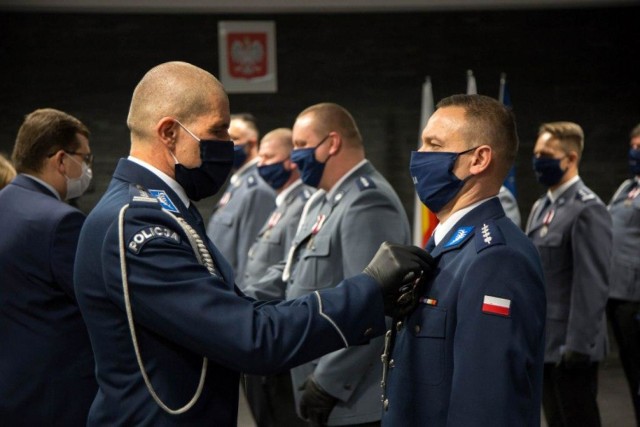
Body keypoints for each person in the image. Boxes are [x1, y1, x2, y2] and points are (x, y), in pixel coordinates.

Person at [72, 61, 434, 426]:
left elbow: (237, 305)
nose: (228, 146)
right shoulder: (137, 222)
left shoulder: (165, 210)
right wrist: (369, 290)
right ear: (169, 133)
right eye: (217, 130)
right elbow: (251, 336)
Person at [382, 94, 546, 426]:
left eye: (433, 144)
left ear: (479, 159)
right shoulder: (447, 242)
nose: (419, 156)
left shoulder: (496, 258)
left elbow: (486, 404)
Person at [248, 102, 412, 427]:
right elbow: (290, 274)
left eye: (301, 146)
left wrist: (327, 384)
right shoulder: (322, 200)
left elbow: (374, 305)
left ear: (332, 143)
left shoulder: (367, 201)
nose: (295, 158)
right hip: (317, 385)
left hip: (352, 400)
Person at [0, 108, 97, 425]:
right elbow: (96, 303)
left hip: (13, 388)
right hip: (56, 395)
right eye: (84, 158)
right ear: (60, 160)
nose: (86, 168)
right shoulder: (61, 221)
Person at [525, 121, 611, 427]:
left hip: (569, 346)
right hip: (546, 341)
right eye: (536, 153)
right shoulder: (541, 207)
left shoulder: (587, 209)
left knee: (578, 420)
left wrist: (577, 345)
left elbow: (592, 284)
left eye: (546, 154)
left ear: (571, 158)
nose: (538, 160)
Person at [242, 127, 312, 427]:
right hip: (261, 323)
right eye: (260, 158)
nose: (261, 165)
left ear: (291, 162)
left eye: (269, 157)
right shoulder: (281, 204)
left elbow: (290, 271)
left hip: (278, 329)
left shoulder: (301, 205)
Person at [206, 113, 275, 289]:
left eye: (234, 138)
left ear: (252, 143)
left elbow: (251, 258)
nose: (227, 144)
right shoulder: (239, 183)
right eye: (224, 138)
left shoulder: (257, 188)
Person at [606, 123, 640, 424]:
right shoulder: (628, 187)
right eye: (633, 145)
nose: (634, 152)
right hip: (618, 294)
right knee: (633, 373)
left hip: (636, 295)